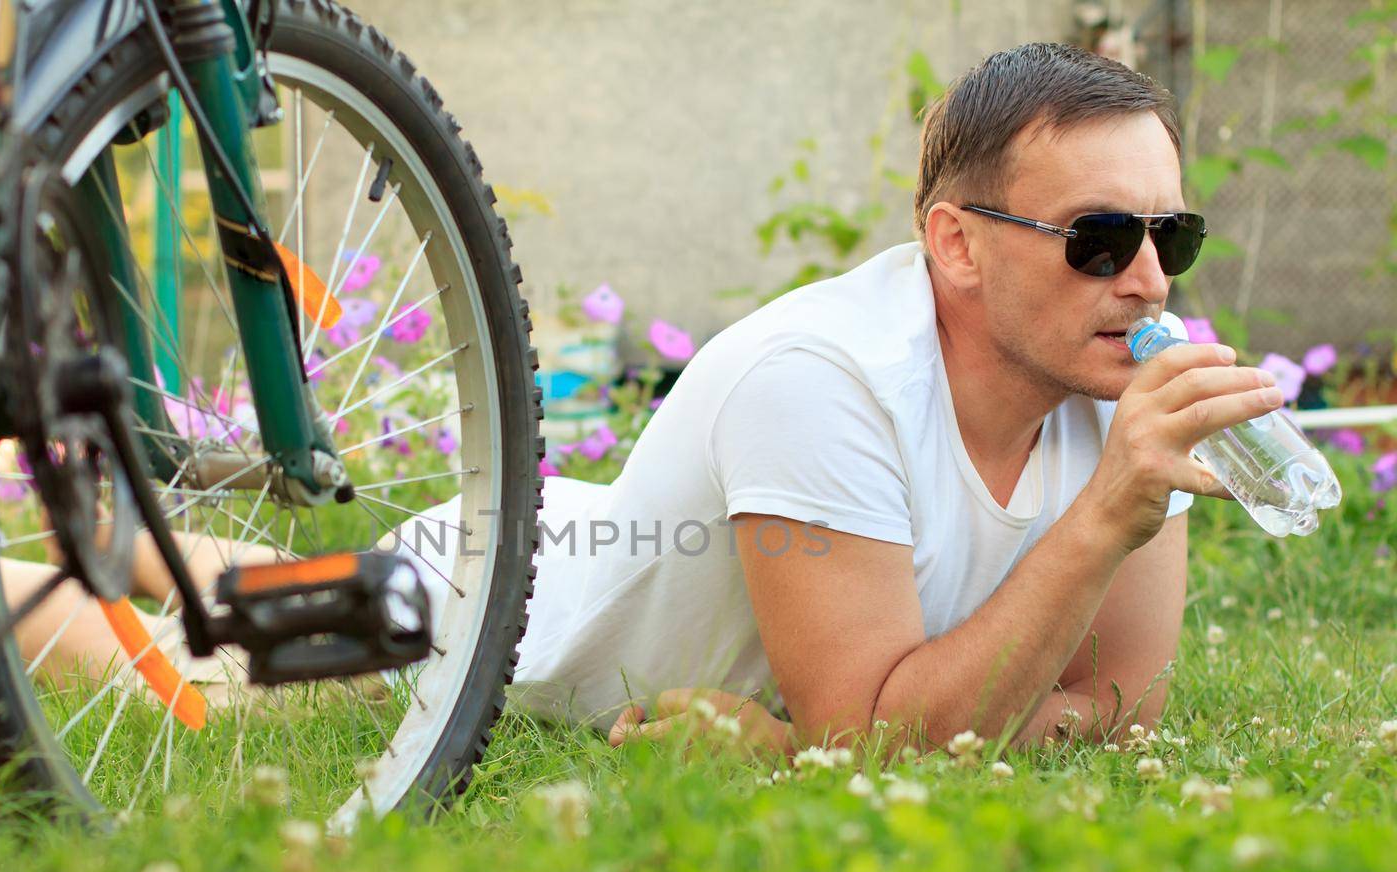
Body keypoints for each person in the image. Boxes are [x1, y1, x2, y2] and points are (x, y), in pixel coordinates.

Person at [385, 42, 1281, 756]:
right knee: (255, 606)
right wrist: (1103, 519)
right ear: (957, 245)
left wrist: (801, 745)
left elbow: (1122, 711)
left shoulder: (1114, 383)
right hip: (466, 592)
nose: (1150, 279)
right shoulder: (818, 379)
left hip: (582, 535)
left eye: (1172, 234)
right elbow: (871, 741)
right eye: (1102, 237)